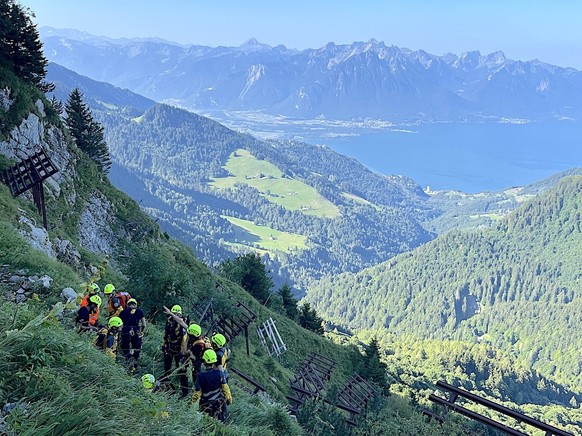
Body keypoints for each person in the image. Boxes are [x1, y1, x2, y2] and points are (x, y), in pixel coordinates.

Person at [191, 349, 232, 422]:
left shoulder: (200, 376)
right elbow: (225, 388)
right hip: (218, 403)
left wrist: (192, 403)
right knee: (221, 422)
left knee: (206, 422)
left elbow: (197, 393)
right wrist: (229, 399)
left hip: (205, 405)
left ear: (204, 361)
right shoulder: (220, 373)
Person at [161, 304, 189, 397]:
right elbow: (165, 334)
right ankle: (166, 384)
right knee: (167, 368)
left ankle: (184, 392)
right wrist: (164, 345)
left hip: (179, 351)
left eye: (177, 314)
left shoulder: (182, 324)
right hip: (169, 348)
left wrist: (182, 352)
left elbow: (184, 339)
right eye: (174, 314)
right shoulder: (169, 321)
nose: (175, 316)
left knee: (181, 371)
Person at [119, 298, 146, 373]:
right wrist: (141, 332)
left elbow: (120, 324)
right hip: (136, 330)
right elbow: (144, 324)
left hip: (125, 330)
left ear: (127, 305)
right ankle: (135, 363)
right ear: (136, 305)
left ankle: (128, 361)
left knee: (125, 347)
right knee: (137, 348)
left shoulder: (123, 312)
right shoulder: (139, 312)